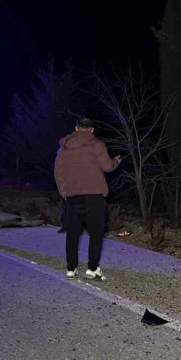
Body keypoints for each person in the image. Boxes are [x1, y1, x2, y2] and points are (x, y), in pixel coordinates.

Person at [54, 118, 121, 280]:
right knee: (96, 234)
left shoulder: (64, 147)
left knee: (72, 233)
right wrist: (116, 162)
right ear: (92, 130)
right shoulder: (97, 145)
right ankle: (92, 268)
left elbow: (58, 172)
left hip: (72, 196)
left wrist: (63, 192)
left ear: (76, 128)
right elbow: (107, 167)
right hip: (95, 196)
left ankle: (71, 268)